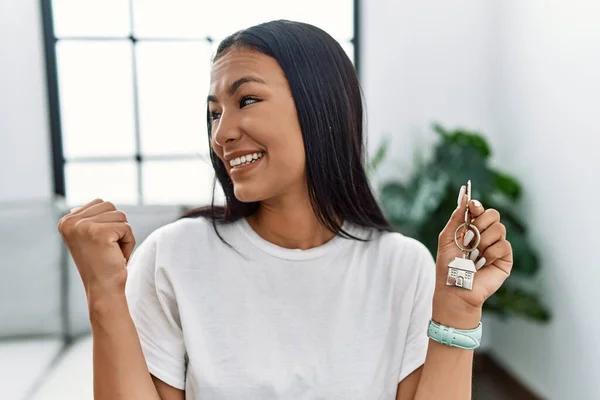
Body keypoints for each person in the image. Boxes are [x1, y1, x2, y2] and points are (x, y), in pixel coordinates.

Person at [58, 20, 513, 400]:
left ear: (322, 108)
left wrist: (456, 307)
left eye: (247, 100)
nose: (222, 134)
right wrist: (103, 292)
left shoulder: (402, 266)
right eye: (214, 113)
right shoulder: (174, 257)